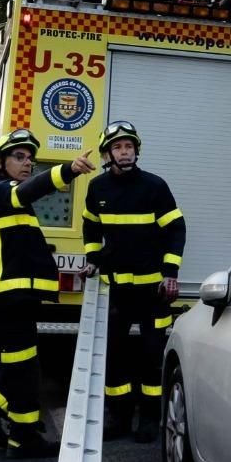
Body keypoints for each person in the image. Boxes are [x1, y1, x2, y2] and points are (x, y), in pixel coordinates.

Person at [0, 129, 95, 458]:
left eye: (30, 159)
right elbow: (32, 188)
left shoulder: (1, 196)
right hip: (7, 296)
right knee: (22, 363)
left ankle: (23, 435)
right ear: (0, 162)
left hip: (9, 296)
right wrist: (68, 170)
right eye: (19, 157)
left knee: (23, 365)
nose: (27, 163)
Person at [82, 121, 186, 442]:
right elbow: (90, 227)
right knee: (115, 355)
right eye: (118, 147)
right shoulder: (97, 188)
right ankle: (119, 418)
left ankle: (149, 419)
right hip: (117, 291)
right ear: (107, 154)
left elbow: (176, 229)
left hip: (153, 291)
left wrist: (170, 273)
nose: (125, 152)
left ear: (136, 151)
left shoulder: (154, 187)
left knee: (151, 355)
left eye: (129, 147)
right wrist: (92, 257)